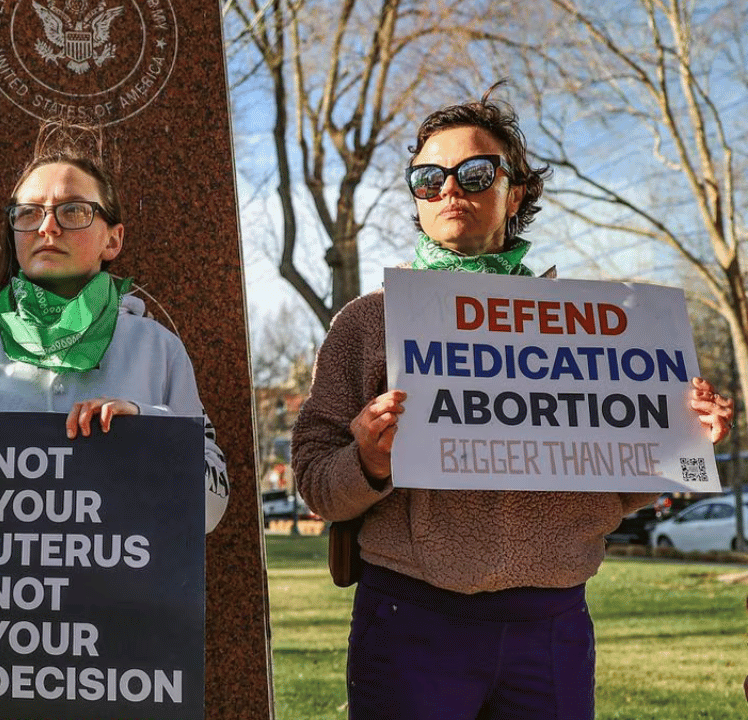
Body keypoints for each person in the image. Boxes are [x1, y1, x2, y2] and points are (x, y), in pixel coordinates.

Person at [291, 89, 735, 720]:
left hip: (551, 625)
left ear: (516, 192)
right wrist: (368, 462)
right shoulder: (365, 324)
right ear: (416, 196)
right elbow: (314, 483)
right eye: (428, 178)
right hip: (410, 618)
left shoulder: (591, 326)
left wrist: (678, 440)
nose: (450, 190)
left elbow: (613, 489)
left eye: (475, 174)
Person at [0, 124, 231, 720]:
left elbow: (210, 510)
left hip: (129, 670)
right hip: (6, 667)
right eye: (28, 213)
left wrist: (148, 435)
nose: (47, 226)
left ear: (113, 238)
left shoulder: (158, 351)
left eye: (73, 210)